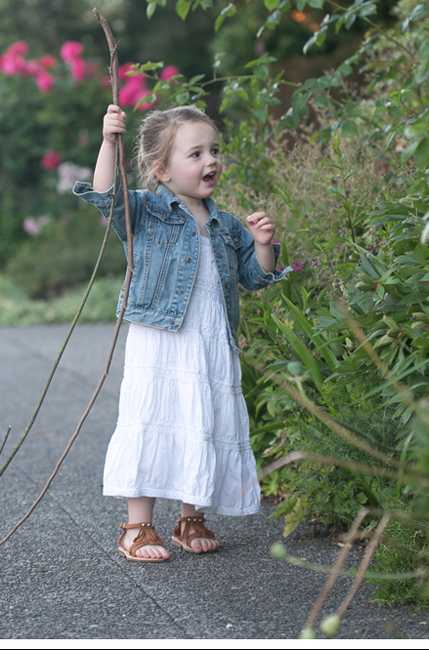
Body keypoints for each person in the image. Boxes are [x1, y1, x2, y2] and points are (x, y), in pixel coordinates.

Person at [73, 103, 290, 562]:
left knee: (202, 421)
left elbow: (256, 277)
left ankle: (190, 516)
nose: (210, 160)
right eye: (196, 154)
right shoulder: (148, 212)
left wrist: (266, 246)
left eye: (214, 150)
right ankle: (137, 526)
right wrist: (109, 141)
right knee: (154, 419)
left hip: (210, 341)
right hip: (162, 340)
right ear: (162, 170)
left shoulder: (227, 224)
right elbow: (105, 194)